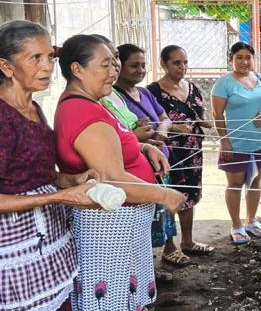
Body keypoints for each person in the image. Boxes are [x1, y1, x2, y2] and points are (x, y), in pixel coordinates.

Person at [0, 21, 97, 311]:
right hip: (12, 245)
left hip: (46, 241)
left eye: (50, 57)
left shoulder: (32, 108)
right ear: (6, 66)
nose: (47, 67)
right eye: (35, 58)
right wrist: (59, 197)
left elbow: (35, 176)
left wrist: (72, 180)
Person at [53, 34, 186, 310]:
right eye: (105, 65)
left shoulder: (94, 102)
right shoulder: (81, 110)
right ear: (77, 69)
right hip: (109, 229)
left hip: (123, 226)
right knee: (110, 301)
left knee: (125, 298)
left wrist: (142, 148)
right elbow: (112, 179)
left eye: (115, 63)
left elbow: (113, 143)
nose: (114, 71)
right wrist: (163, 195)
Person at [118, 44, 205, 272]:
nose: (140, 70)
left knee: (178, 200)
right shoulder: (115, 97)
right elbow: (119, 133)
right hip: (139, 166)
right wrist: (139, 136)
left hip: (167, 159)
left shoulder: (143, 93)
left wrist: (161, 132)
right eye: (134, 65)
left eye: (143, 65)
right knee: (148, 213)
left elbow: (164, 118)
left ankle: (167, 254)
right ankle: (151, 265)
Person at [143, 45, 214, 263]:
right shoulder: (153, 91)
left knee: (189, 195)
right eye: (176, 63)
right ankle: (169, 247)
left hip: (193, 152)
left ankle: (188, 241)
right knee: (170, 196)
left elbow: (200, 113)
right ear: (163, 64)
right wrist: (174, 127)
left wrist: (205, 122)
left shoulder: (192, 87)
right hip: (168, 153)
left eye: (185, 62)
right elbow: (151, 123)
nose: (182, 67)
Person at [212, 42, 261, 245]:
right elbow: (217, 115)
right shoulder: (223, 83)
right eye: (239, 57)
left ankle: (251, 220)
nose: (244, 61)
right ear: (231, 59)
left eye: (248, 57)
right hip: (236, 142)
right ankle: (236, 225)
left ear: (254, 59)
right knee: (235, 184)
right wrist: (224, 140)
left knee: (255, 182)